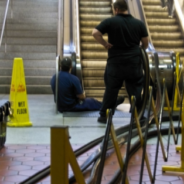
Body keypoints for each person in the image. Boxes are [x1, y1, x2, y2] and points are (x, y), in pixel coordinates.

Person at [92, 0, 149, 123]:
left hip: (115, 62)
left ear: (116, 9)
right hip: (134, 63)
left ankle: (104, 115)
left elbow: (95, 33)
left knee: (111, 89)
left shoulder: (110, 21)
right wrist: (137, 51)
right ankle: (137, 115)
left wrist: (105, 44)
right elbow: (145, 43)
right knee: (135, 90)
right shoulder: (139, 23)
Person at [50, 57, 124, 113]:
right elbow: (81, 96)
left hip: (59, 106)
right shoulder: (73, 78)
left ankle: (111, 104)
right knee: (92, 101)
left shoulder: (54, 77)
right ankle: (112, 105)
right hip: (71, 106)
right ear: (71, 66)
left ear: (60, 66)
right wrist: (84, 95)